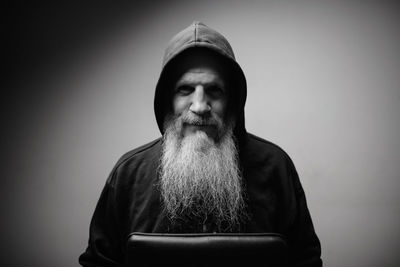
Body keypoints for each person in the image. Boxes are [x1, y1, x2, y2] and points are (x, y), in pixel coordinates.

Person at [79, 21, 322, 267]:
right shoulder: (129, 174)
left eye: (214, 90)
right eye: (185, 89)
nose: (199, 106)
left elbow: (306, 261)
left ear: (233, 101)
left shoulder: (275, 167)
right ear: (166, 100)